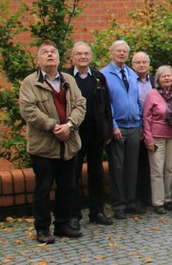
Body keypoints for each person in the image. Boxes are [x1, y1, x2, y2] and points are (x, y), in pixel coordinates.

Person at [19, 40, 86, 243]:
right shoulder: (29, 83)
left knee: (68, 187)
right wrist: (54, 127)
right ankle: (42, 228)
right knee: (43, 189)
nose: (50, 55)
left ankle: (63, 224)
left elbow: (80, 104)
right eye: (45, 52)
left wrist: (70, 126)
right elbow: (28, 110)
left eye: (53, 52)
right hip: (43, 147)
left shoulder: (68, 80)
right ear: (38, 59)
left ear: (59, 58)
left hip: (69, 144)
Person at [65, 41, 113, 228]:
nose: (83, 57)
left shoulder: (99, 77)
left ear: (90, 56)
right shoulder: (66, 77)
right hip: (74, 133)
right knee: (73, 174)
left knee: (97, 173)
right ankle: (74, 214)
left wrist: (107, 129)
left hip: (96, 133)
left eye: (86, 54)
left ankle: (97, 211)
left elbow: (106, 105)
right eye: (79, 54)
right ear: (72, 57)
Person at [101, 40, 145, 219]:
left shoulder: (132, 74)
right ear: (111, 53)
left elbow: (137, 100)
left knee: (132, 167)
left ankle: (130, 201)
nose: (121, 54)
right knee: (117, 167)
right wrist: (113, 126)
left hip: (134, 126)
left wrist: (141, 122)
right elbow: (106, 103)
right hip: (118, 127)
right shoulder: (104, 74)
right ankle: (118, 205)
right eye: (118, 51)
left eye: (124, 52)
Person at [143, 65, 172, 214]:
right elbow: (146, 118)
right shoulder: (151, 94)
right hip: (156, 137)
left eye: (169, 76)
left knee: (169, 169)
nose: (167, 78)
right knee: (157, 170)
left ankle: (168, 199)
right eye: (164, 76)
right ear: (158, 79)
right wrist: (148, 138)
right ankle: (158, 202)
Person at [132, 51, 154, 211]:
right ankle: (137, 199)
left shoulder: (153, 80)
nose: (141, 65)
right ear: (133, 65)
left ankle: (149, 197)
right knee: (137, 165)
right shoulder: (130, 81)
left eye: (144, 62)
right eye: (138, 63)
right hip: (137, 127)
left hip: (154, 128)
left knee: (150, 164)